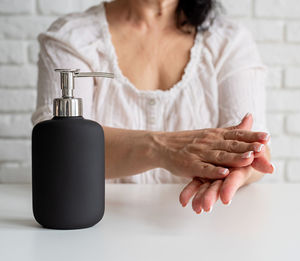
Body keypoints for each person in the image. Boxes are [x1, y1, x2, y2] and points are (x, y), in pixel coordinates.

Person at [32, 0, 274, 214]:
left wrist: (240, 168)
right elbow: (61, 151)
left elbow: (255, 149)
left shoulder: (229, 40)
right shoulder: (71, 38)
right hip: (96, 221)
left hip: (202, 221)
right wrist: (161, 148)